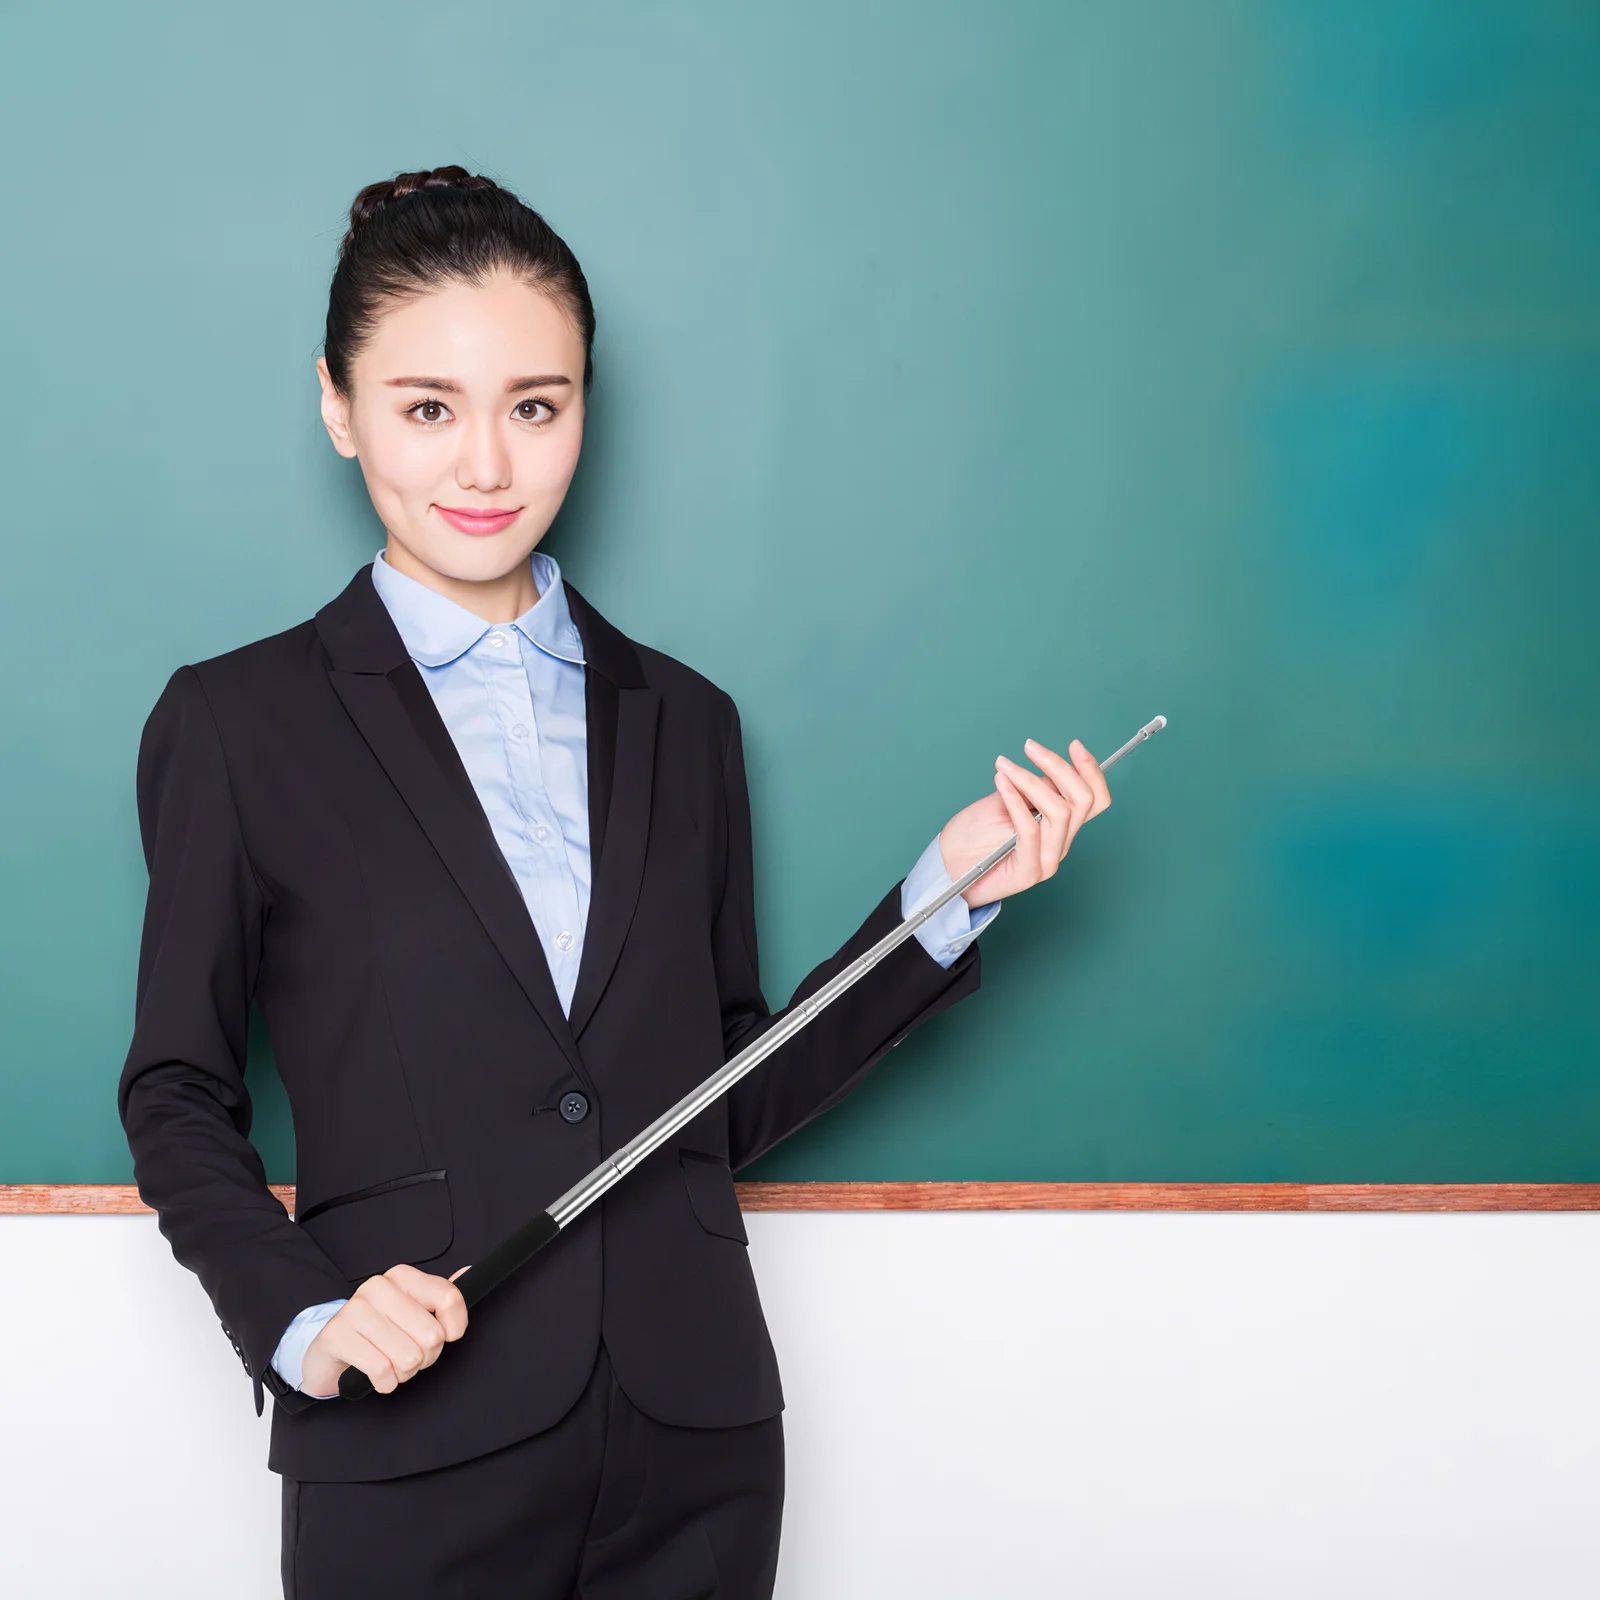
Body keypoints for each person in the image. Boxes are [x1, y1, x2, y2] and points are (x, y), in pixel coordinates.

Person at [117, 165, 1112, 1600]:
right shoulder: (236, 724)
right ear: (336, 405)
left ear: (586, 403)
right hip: (408, 1447)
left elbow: (714, 1096)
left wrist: (944, 897)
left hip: (693, 1448)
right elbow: (175, 1092)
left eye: (536, 406)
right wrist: (300, 1316)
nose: (486, 468)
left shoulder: (684, 720)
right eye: (425, 408)